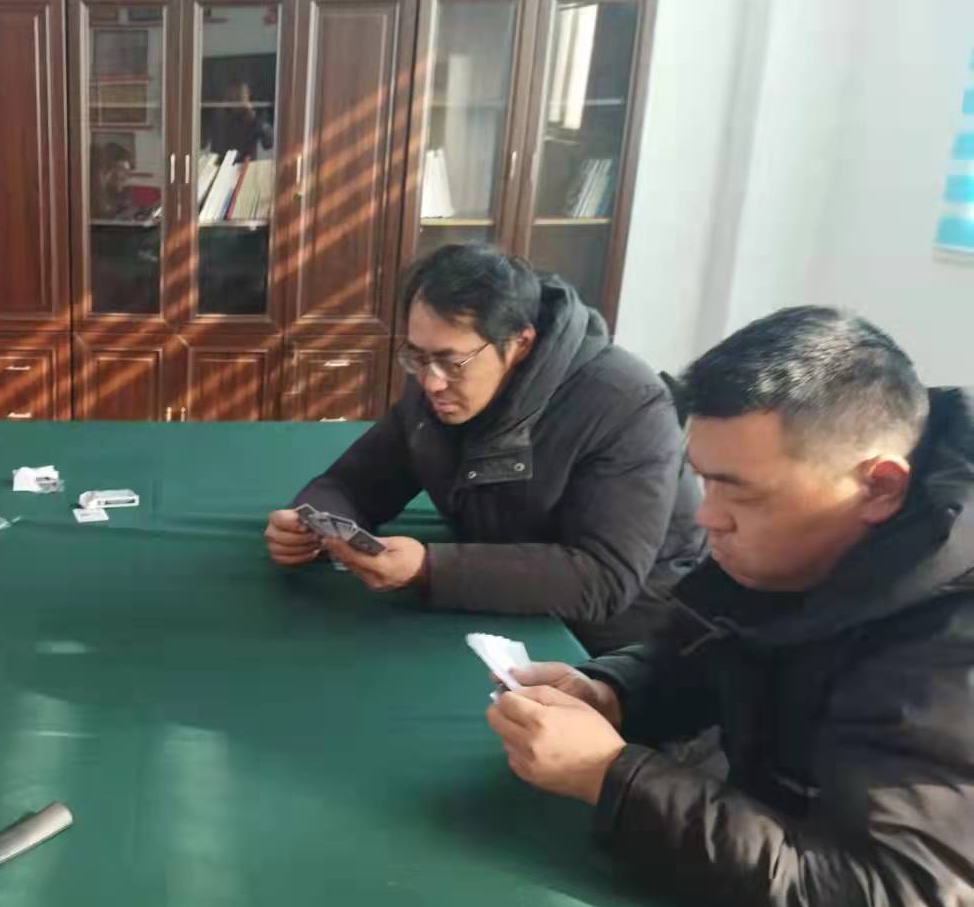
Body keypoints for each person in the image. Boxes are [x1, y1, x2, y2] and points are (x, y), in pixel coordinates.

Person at [483, 307, 974, 907]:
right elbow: (707, 645)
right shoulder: (809, 545)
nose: (707, 517)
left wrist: (612, 775)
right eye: (702, 479)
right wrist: (613, 691)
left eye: (740, 492)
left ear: (879, 486)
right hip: (787, 886)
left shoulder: (954, 647)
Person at [266, 243, 705, 653]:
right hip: (497, 611)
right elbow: (352, 483)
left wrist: (430, 568)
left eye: (451, 362)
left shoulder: (626, 404)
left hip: (618, 646)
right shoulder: (435, 385)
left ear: (519, 344)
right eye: (417, 356)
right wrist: (313, 526)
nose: (431, 382)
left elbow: (603, 578)